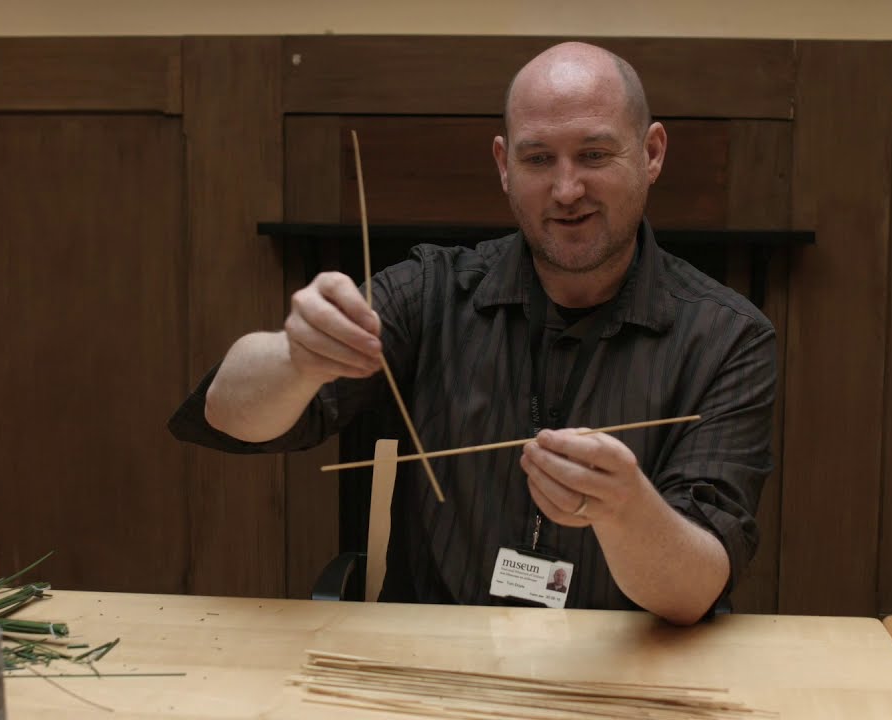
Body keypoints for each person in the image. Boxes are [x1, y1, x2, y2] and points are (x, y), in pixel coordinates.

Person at [169, 41, 775, 626]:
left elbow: (695, 590)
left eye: (594, 155)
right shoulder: (430, 293)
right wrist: (295, 356)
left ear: (651, 152)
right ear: (503, 166)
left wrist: (626, 511)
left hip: (623, 669)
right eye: (538, 159)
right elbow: (229, 414)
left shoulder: (728, 338)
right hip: (435, 660)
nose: (567, 191)